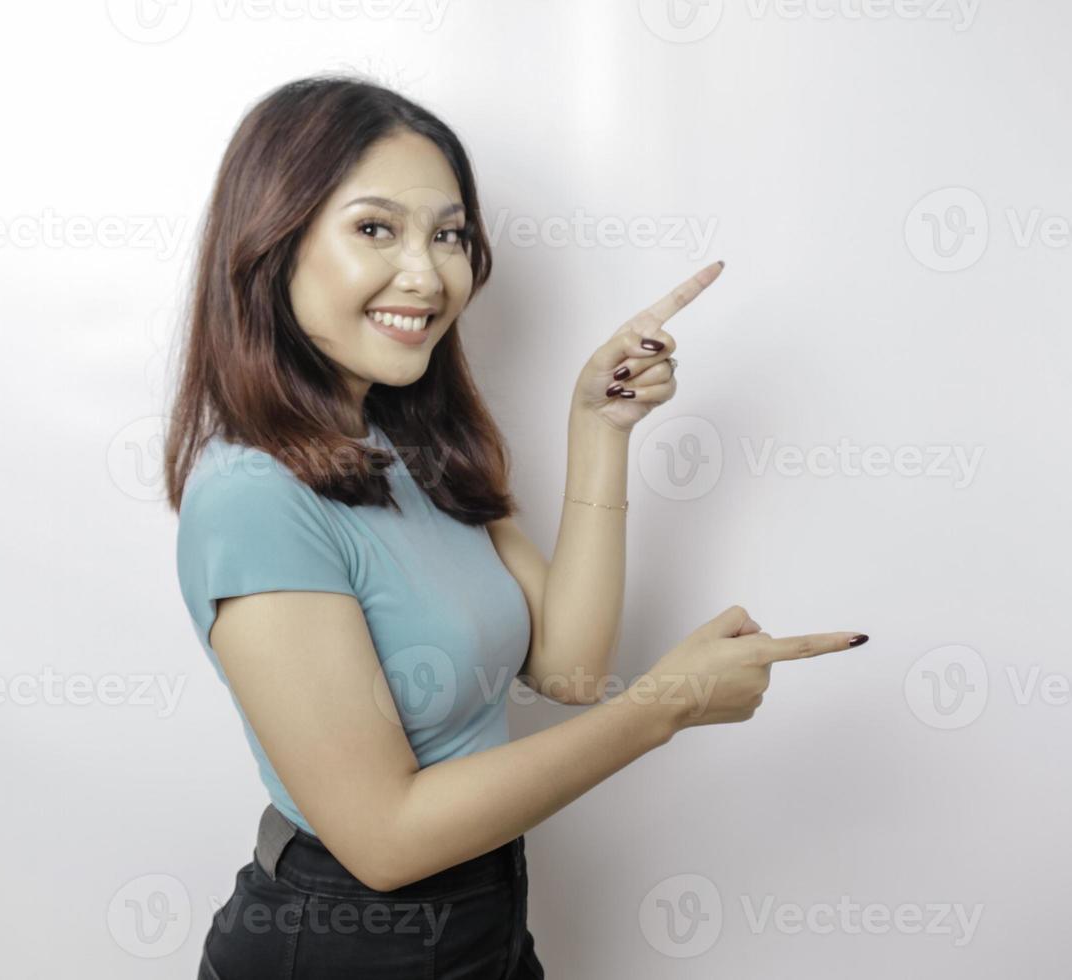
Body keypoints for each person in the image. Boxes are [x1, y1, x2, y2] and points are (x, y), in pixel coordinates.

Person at [164, 73, 869, 979]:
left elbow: (569, 666)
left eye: (449, 234)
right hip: (343, 943)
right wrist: (668, 706)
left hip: (486, 915)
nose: (427, 273)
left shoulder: (407, 447)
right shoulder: (253, 497)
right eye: (375, 227)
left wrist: (599, 426)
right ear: (273, 244)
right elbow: (383, 838)